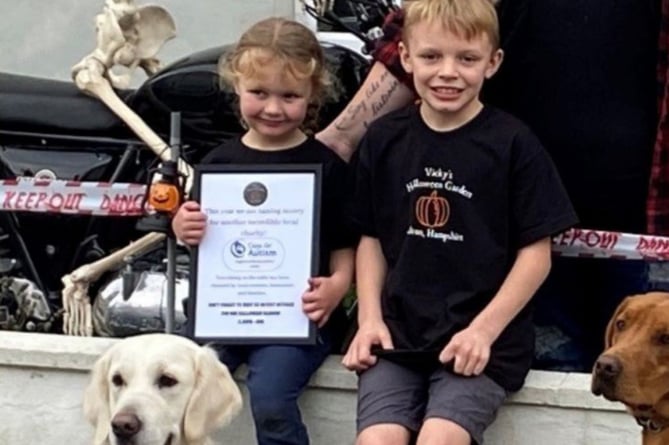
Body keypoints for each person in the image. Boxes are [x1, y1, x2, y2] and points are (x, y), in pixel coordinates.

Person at [317, 0, 659, 371]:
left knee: (641, 379)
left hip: (643, 223)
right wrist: (335, 144)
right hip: (503, 226)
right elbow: (430, 29)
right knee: (546, 383)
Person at [340, 1, 578, 444]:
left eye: (466, 59)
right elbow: (370, 237)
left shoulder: (513, 145)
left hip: (483, 341)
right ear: (406, 57)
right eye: (431, 57)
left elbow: (536, 254)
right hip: (398, 337)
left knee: (440, 438)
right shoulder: (384, 139)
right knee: (377, 440)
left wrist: (483, 332)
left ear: (493, 62)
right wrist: (370, 318)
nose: (448, 72)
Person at [171, 17, 356, 445]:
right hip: (224, 315)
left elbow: (347, 244)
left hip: (299, 321)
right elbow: (202, 238)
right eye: (259, 93)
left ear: (313, 93)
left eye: (289, 96)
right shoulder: (217, 165)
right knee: (174, 375)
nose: (273, 108)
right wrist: (185, 225)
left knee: (270, 396)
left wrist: (338, 285)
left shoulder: (329, 167)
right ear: (236, 85)